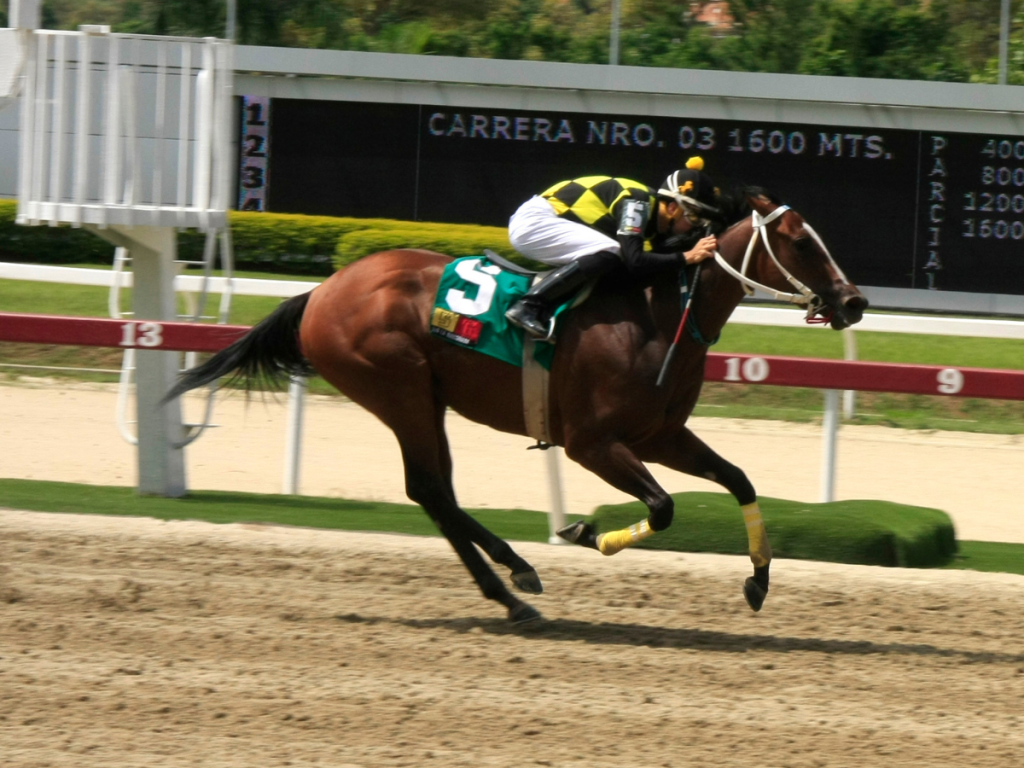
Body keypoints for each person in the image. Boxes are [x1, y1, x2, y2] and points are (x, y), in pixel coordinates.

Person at [504, 156, 723, 340]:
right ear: (673, 207)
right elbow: (636, 261)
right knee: (611, 252)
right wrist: (686, 256)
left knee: (615, 264)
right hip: (534, 222)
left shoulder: (655, 222)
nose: (693, 227)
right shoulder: (637, 203)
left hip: (547, 222)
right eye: (693, 217)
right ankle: (529, 305)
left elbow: (649, 266)